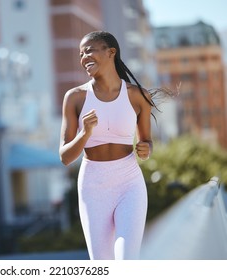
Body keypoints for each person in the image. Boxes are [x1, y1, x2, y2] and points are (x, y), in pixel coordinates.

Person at [59, 31, 162, 260]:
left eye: (89, 50)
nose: (84, 57)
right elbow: (65, 157)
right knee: (102, 265)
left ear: (111, 52)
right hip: (92, 186)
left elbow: (146, 142)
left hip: (129, 183)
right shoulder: (75, 97)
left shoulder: (138, 96)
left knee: (127, 260)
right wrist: (85, 134)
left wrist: (146, 148)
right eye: (81, 53)